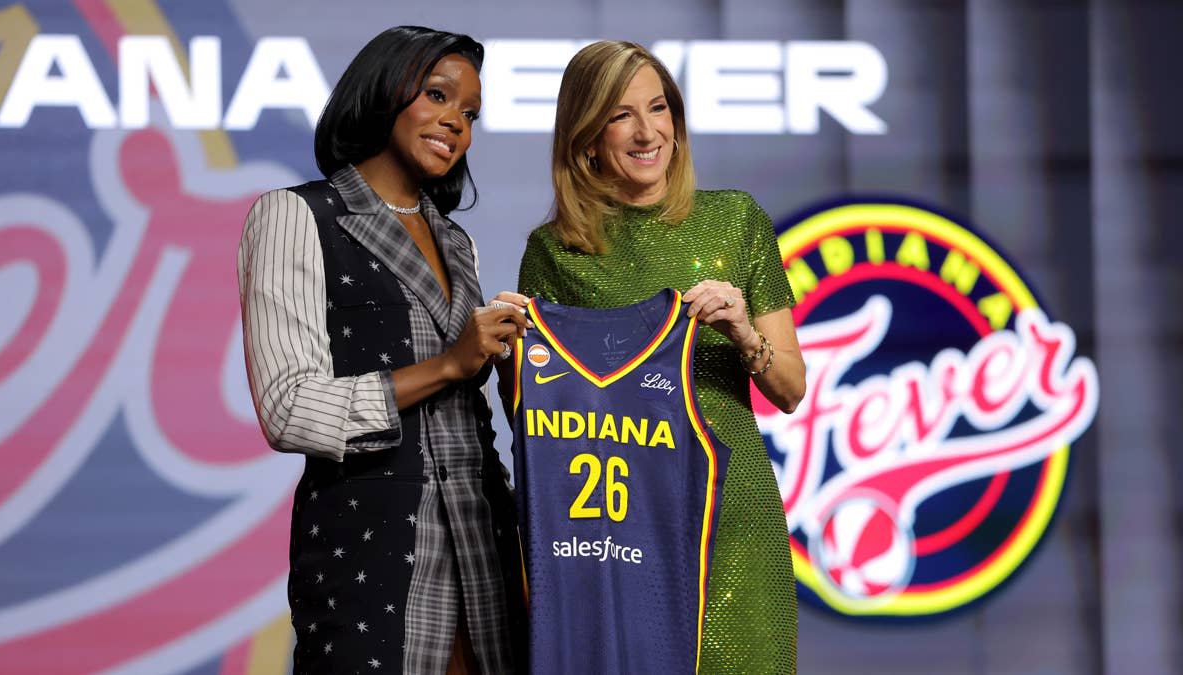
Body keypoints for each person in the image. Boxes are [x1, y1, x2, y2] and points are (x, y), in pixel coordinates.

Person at [238, 26, 528, 674]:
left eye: (470, 113)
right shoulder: (294, 215)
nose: (456, 122)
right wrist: (449, 363)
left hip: (483, 554)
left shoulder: (458, 243)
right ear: (384, 89)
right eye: (437, 95)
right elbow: (289, 408)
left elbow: (466, 412)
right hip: (371, 563)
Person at [516, 40, 807, 674]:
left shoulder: (737, 220)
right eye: (622, 115)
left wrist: (743, 334)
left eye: (658, 108)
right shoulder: (555, 251)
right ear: (587, 136)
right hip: (622, 528)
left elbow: (791, 389)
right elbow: (547, 412)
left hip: (735, 515)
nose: (648, 132)